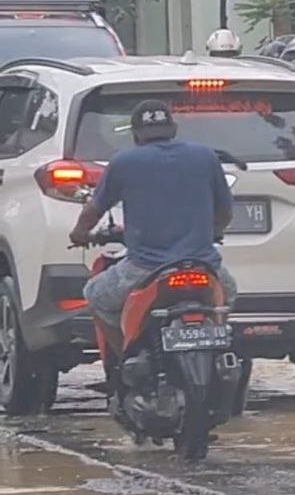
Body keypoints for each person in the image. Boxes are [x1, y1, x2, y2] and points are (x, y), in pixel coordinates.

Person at [71, 100, 237, 357]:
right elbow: (225, 211)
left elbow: (94, 209)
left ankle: (126, 359)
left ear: (136, 134)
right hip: (204, 264)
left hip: (144, 269)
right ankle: (217, 351)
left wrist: (79, 234)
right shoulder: (205, 156)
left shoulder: (124, 161)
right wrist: (214, 231)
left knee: (94, 296)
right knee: (228, 296)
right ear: (173, 129)